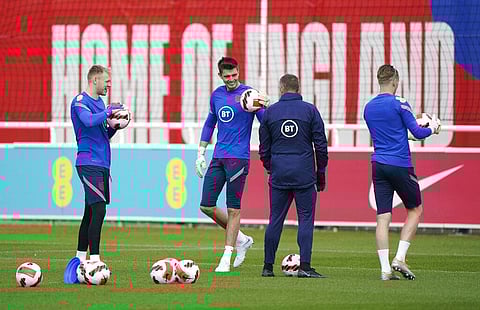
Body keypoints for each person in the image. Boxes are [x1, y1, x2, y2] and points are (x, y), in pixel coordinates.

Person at [363, 64, 441, 281]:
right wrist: (432, 128)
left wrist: (407, 133)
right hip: (399, 164)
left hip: (378, 164)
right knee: (415, 210)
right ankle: (400, 258)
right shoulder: (400, 103)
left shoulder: (368, 107)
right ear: (395, 81)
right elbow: (416, 132)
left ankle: (385, 270)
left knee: (382, 217)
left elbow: (390, 134)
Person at [195, 56, 268, 272]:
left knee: (233, 209)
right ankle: (242, 239)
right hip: (218, 156)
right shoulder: (216, 95)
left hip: (239, 158)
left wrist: (266, 106)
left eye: (234, 75)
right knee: (206, 205)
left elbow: (266, 122)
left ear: (238, 71)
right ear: (220, 76)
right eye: (227, 76)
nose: (231, 79)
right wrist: (201, 152)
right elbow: (210, 123)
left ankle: (226, 256)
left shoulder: (249, 95)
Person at [259, 74, 328, 278]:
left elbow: (263, 149)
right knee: (305, 219)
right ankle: (305, 267)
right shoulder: (310, 110)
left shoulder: (270, 113)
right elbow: (321, 146)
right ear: (299, 88)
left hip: (279, 174)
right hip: (304, 174)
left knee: (275, 220)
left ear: (281, 89)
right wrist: (320, 173)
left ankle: (267, 267)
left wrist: (271, 167)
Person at [64, 65, 125, 283]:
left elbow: (102, 133)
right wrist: (108, 112)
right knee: (99, 210)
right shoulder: (80, 101)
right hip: (88, 161)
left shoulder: (99, 104)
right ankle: (95, 261)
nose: (109, 84)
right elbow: (89, 121)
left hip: (102, 163)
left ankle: (80, 259)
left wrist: (115, 126)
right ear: (95, 80)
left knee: (90, 212)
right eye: (106, 81)